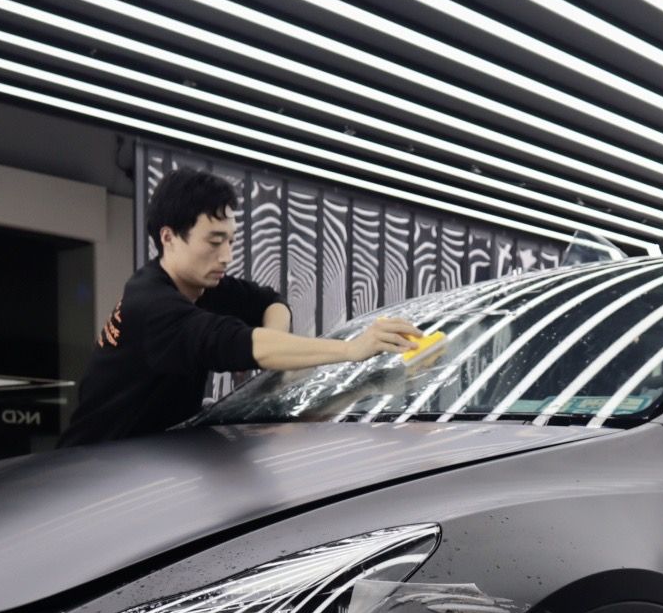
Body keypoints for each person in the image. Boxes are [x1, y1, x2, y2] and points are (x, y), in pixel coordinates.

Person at [58, 169, 422, 446]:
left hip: (151, 460)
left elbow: (270, 302)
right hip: (92, 468)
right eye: (214, 241)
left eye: (230, 241)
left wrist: (274, 350)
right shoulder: (151, 306)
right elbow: (241, 344)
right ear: (168, 237)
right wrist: (351, 349)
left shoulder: (204, 285)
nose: (227, 256)